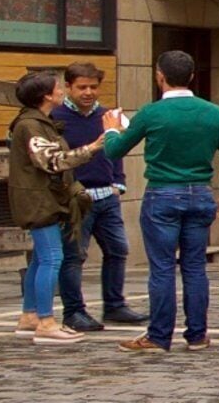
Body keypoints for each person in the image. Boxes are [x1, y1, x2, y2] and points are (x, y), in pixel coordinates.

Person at [83, 49, 219, 352]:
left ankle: (158, 335)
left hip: (163, 193)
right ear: (191, 76)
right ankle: (197, 335)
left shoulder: (151, 113)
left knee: (163, 268)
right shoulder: (215, 113)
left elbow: (115, 151)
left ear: (160, 76)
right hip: (200, 192)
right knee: (195, 267)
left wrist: (111, 129)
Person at [47, 61, 136, 333]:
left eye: (93, 87)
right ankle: (74, 311)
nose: (88, 92)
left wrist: (118, 183)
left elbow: (116, 148)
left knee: (118, 250)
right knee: (74, 256)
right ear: (69, 87)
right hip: (76, 198)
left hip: (107, 195)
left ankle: (115, 305)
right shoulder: (56, 118)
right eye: (82, 87)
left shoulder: (108, 116)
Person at [4, 69, 86, 343]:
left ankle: (30, 315)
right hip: (38, 200)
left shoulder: (39, 122)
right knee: (52, 257)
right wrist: (93, 148)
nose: (62, 91)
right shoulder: (30, 125)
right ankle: (46, 321)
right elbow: (53, 161)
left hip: (42, 197)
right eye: (58, 88)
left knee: (41, 258)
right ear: (46, 96)